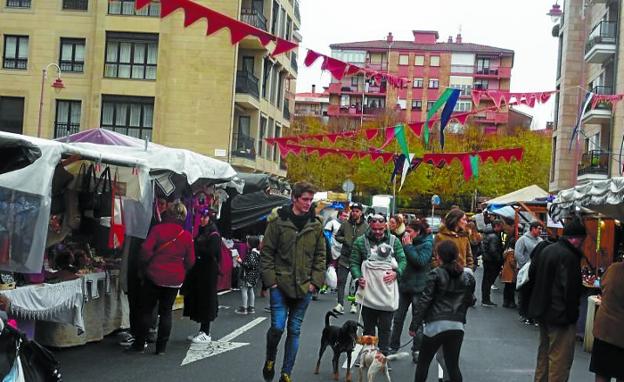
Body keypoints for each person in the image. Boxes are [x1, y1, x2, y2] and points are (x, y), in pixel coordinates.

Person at [261, 182, 326, 382]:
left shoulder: (315, 224)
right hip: (280, 284)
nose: (308, 203)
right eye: (305, 199)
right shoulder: (278, 221)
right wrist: (271, 282)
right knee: (278, 327)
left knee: (294, 330)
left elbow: (320, 256)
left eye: (310, 200)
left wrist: (315, 283)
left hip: (304, 286)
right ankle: (270, 358)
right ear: (295, 199)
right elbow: (267, 252)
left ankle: (286, 373)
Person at [528, 216, 587, 382]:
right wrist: (571, 315)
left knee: (544, 357)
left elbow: (532, 275)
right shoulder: (569, 257)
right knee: (559, 362)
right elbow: (570, 289)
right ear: (577, 239)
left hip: (543, 311)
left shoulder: (547, 249)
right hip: (560, 316)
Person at [132, 201, 195, 355]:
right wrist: (181, 270)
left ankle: (140, 344)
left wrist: (145, 265)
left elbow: (145, 250)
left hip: (154, 275)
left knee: (147, 310)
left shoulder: (158, 230)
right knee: (166, 312)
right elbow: (191, 261)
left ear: (168, 213)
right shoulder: (186, 236)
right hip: (174, 279)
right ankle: (161, 348)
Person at [409, 240, 476, 382]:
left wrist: (414, 325)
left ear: (439, 256)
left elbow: (425, 301)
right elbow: (470, 300)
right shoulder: (467, 277)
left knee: (423, 363)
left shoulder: (435, 274)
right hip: (457, 326)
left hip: (435, 324)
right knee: (453, 366)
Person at [350, 214, 406, 355]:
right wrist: (358, 277)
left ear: (385, 226)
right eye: (374, 229)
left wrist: (396, 272)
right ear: (370, 226)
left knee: (386, 327)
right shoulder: (360, 242)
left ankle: (383, 356)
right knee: (368, 327)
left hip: (387, 294)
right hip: (368, 293)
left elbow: (403, 260)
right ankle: (368, 354)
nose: (378, 232)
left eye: (381, 229)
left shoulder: (394, 241)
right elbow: (354, 262)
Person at [389, 219, 433, 362]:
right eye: (406, 231)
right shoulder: (404, 242)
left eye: (410, 231)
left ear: (418, 232)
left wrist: (408, 247)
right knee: (398, 317)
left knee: (417, 320)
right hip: (404, 285)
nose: (406, 234)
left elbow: (420, 261)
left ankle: (417, 349)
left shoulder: (427, 243)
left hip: (419, 287)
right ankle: (393, 346)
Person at [182, 207, 220, 343]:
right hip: (199, 270)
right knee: (200, 298)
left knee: (207, 299)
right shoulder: (202, 231)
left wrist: (196, 248)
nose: (202, 220)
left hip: (208, 271)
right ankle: (201, 330)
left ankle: (206, 331)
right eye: (201, 217)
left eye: (205, 217)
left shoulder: (214, 234)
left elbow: (212, 252)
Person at [590, 259, 624, 382]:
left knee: (602, 372)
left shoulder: (614, 268)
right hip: (621, 335)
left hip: (604, 330)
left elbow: (602, 284)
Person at [335, 203, 368, 314]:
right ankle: (340, 304)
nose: (354, 213)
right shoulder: (345, 224)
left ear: (361, 212)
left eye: (357, 211)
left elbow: (369, 240)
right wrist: (344, 240)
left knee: (355, 283)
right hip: (344, 257)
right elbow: (337, 236)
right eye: (353, 211)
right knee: (341, 281)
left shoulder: (366, 226)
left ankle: (353, 303)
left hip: (358, 259)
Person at [235, 236, 261, 315]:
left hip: (248, 275)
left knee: (244, 290)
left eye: (247, 242)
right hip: (254, 275)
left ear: (250, 244)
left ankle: (244, 308)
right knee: (251, 290)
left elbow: (250, 264)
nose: (246, 243)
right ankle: (251, 307)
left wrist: (240, 262)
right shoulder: (257, 253)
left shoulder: (252, 253)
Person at [481, 219, 504, 307]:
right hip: (491, 262)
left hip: (487, 260)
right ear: (497, 226)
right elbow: (493, 250)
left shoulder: (488, 234)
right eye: (501, 226)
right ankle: (486, 300)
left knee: (486, 281)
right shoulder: (494, 236)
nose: (502, 228)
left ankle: (485, 299)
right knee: (488, 281)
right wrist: (500, 259)